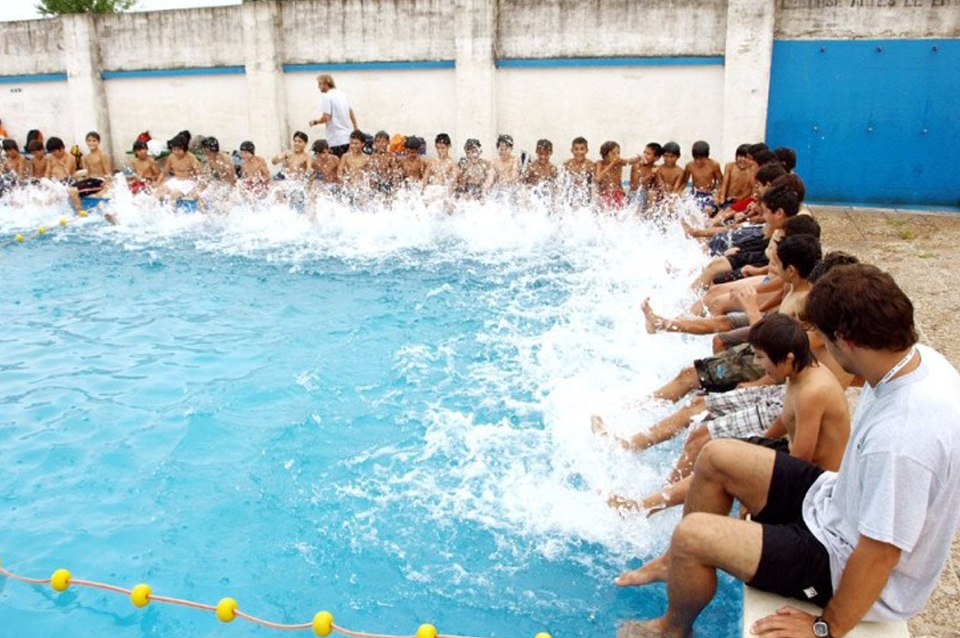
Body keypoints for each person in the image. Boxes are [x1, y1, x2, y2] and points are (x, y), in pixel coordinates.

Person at [619, 263, 960, 638]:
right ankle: (672, 564)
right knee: (716, 456)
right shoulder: (918, 360)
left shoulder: (901, 437)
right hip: (834, 504)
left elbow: (880, 554)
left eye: (823, 338)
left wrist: (825, 627)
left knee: (691, 536)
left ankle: (671, 630)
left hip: (839, 560)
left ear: (844, 340)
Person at [608, 313, 850, 515]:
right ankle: (650, 504)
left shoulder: (811, 392)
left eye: (761, 357)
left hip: (816, 486)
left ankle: (647, 507)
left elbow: (801, 462)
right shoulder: (798, 375)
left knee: (723, 465)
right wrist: (754, 445)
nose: (759, 365)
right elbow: (785, 420)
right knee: (719, 455)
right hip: (796, 461)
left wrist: (753, 493)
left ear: (788, 357)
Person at [309, 73, 358, 158]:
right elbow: (351, 112)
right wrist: (355, 128)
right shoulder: (343, 95)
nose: (318, 87)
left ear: (326, 84)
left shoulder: (327, 97)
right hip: (347, 137)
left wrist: (315, 122)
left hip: (336, 140)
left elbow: (326, 117)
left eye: (320, 84)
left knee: (337, 164)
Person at [154, 134, 202, 201]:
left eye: (178, 150)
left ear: (185, 149)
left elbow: (200, 174)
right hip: (176, 179)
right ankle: (153, 206)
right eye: (174, 149)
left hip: (189, 181)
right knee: (160, 190)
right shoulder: (171, 157)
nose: (176, 152)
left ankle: (171, 207)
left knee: (174, 193)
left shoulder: (191, 158)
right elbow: (164, 172)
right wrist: (157, 182)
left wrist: (198, 188)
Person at [681, 140, 723, 215]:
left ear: (707, 156)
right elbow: (684, 182)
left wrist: (717, 195)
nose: (698, 161)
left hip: (709, 194)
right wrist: (677, 193)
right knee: (686, 209)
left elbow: (721, 183)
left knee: (708, 210)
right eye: (695, 158)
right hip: (695, 193)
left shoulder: (714, 165)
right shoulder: (689, 166)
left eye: (701, 159)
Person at [628, 142, 662, 214]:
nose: (644, 155)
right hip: (635, 195)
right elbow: (635, 186)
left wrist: (657, 176)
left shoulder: (656, 168)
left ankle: (650, 217)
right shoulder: (637, 166)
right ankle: (637, 216)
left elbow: (660, 185)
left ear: (656, 158)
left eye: (648, 154)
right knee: (639, 195)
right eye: (644, 152)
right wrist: (650, 175)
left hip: (647, 197)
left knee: (653, 193)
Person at [594, 141, 628, 210]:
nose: (617, 156)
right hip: (604, 194)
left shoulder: (619, 162)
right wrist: (612, 164)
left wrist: (638, 158)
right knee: (605, 210)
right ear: (605, 155)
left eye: (618, 153)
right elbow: (598, 178)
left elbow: (630, 161)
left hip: (618, 193)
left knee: (619, 210)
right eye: (614, 153)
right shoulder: (600, 163)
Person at [561, 136, 594, 206]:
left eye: (582, 149)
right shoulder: (567, 164)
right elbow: (562, 182)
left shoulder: (590, 165)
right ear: (572, 150)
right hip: (570, 195)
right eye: (576, 149)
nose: (579, 152)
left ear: (587, 150)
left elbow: (594, 183)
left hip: (585, 196)